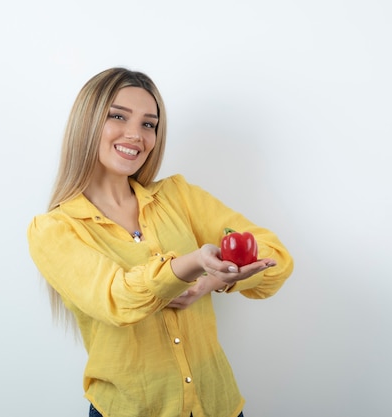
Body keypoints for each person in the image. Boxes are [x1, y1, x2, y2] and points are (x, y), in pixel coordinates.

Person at [27, 67, 294, 417]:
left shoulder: (178, 196)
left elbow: (275, 258)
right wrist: (192, 264)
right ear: (87, 122)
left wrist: (210, 282)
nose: (135, 135)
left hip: (218, 406)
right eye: (118, 116)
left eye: (148, 124)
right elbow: (117, 300)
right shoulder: (54, 230)